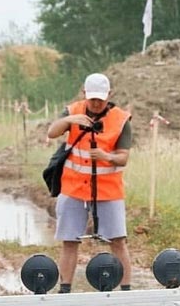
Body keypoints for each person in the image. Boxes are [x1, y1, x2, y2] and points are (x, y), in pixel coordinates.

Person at [46, 73, 133, 293]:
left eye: (100, 99)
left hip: (109, 191)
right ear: (84, 94)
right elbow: (51, 132)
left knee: (118, 241)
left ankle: (125, 290)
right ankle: (64, 289)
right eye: (92, 98)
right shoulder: (72, 111)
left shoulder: (121, 119)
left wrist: (106, 156)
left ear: (109, 96)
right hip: (73, 189)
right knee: (69, 240)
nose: (96, 103)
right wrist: (68, 121)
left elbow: (123, 157)